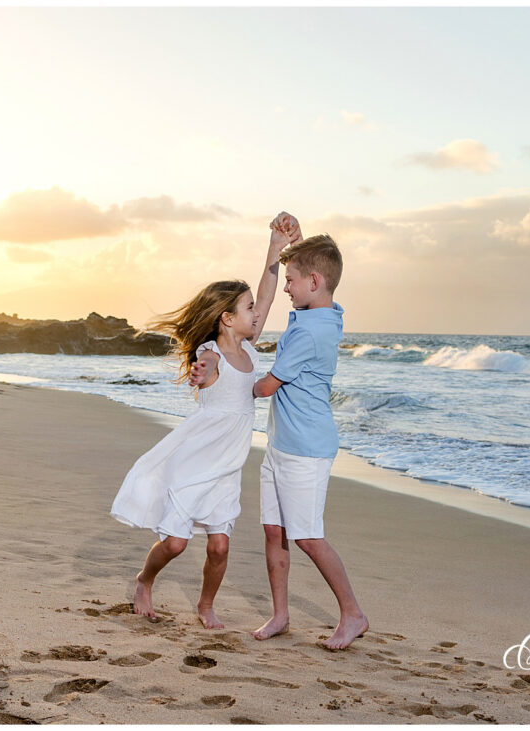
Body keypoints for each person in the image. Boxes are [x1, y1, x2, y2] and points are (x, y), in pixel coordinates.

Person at [110, 213, 301, 629]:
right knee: (176, 543)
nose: (257, 313)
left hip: (226, 467)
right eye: (247, 309)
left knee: (218, 547)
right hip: (196, 458)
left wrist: (274, 247)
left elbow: (267, 295)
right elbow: (207, 365)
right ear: (227, 319)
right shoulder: (211, 351)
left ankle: (205, 605)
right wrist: (201, 372)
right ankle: (145, 579)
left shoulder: (248, 347)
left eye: (253, 309)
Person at [193, 223, 368, 649]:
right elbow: (311, 272)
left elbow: (265, 385)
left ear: (314, 282)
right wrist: (293, 243)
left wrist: (234, 378)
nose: (285, 288)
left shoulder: (310, 331)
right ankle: (281, 615)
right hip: (282, 443)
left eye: (291, 281)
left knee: (307, 535)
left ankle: (352, 614)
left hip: (305, 449)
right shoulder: (323, 313)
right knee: (274, 530)